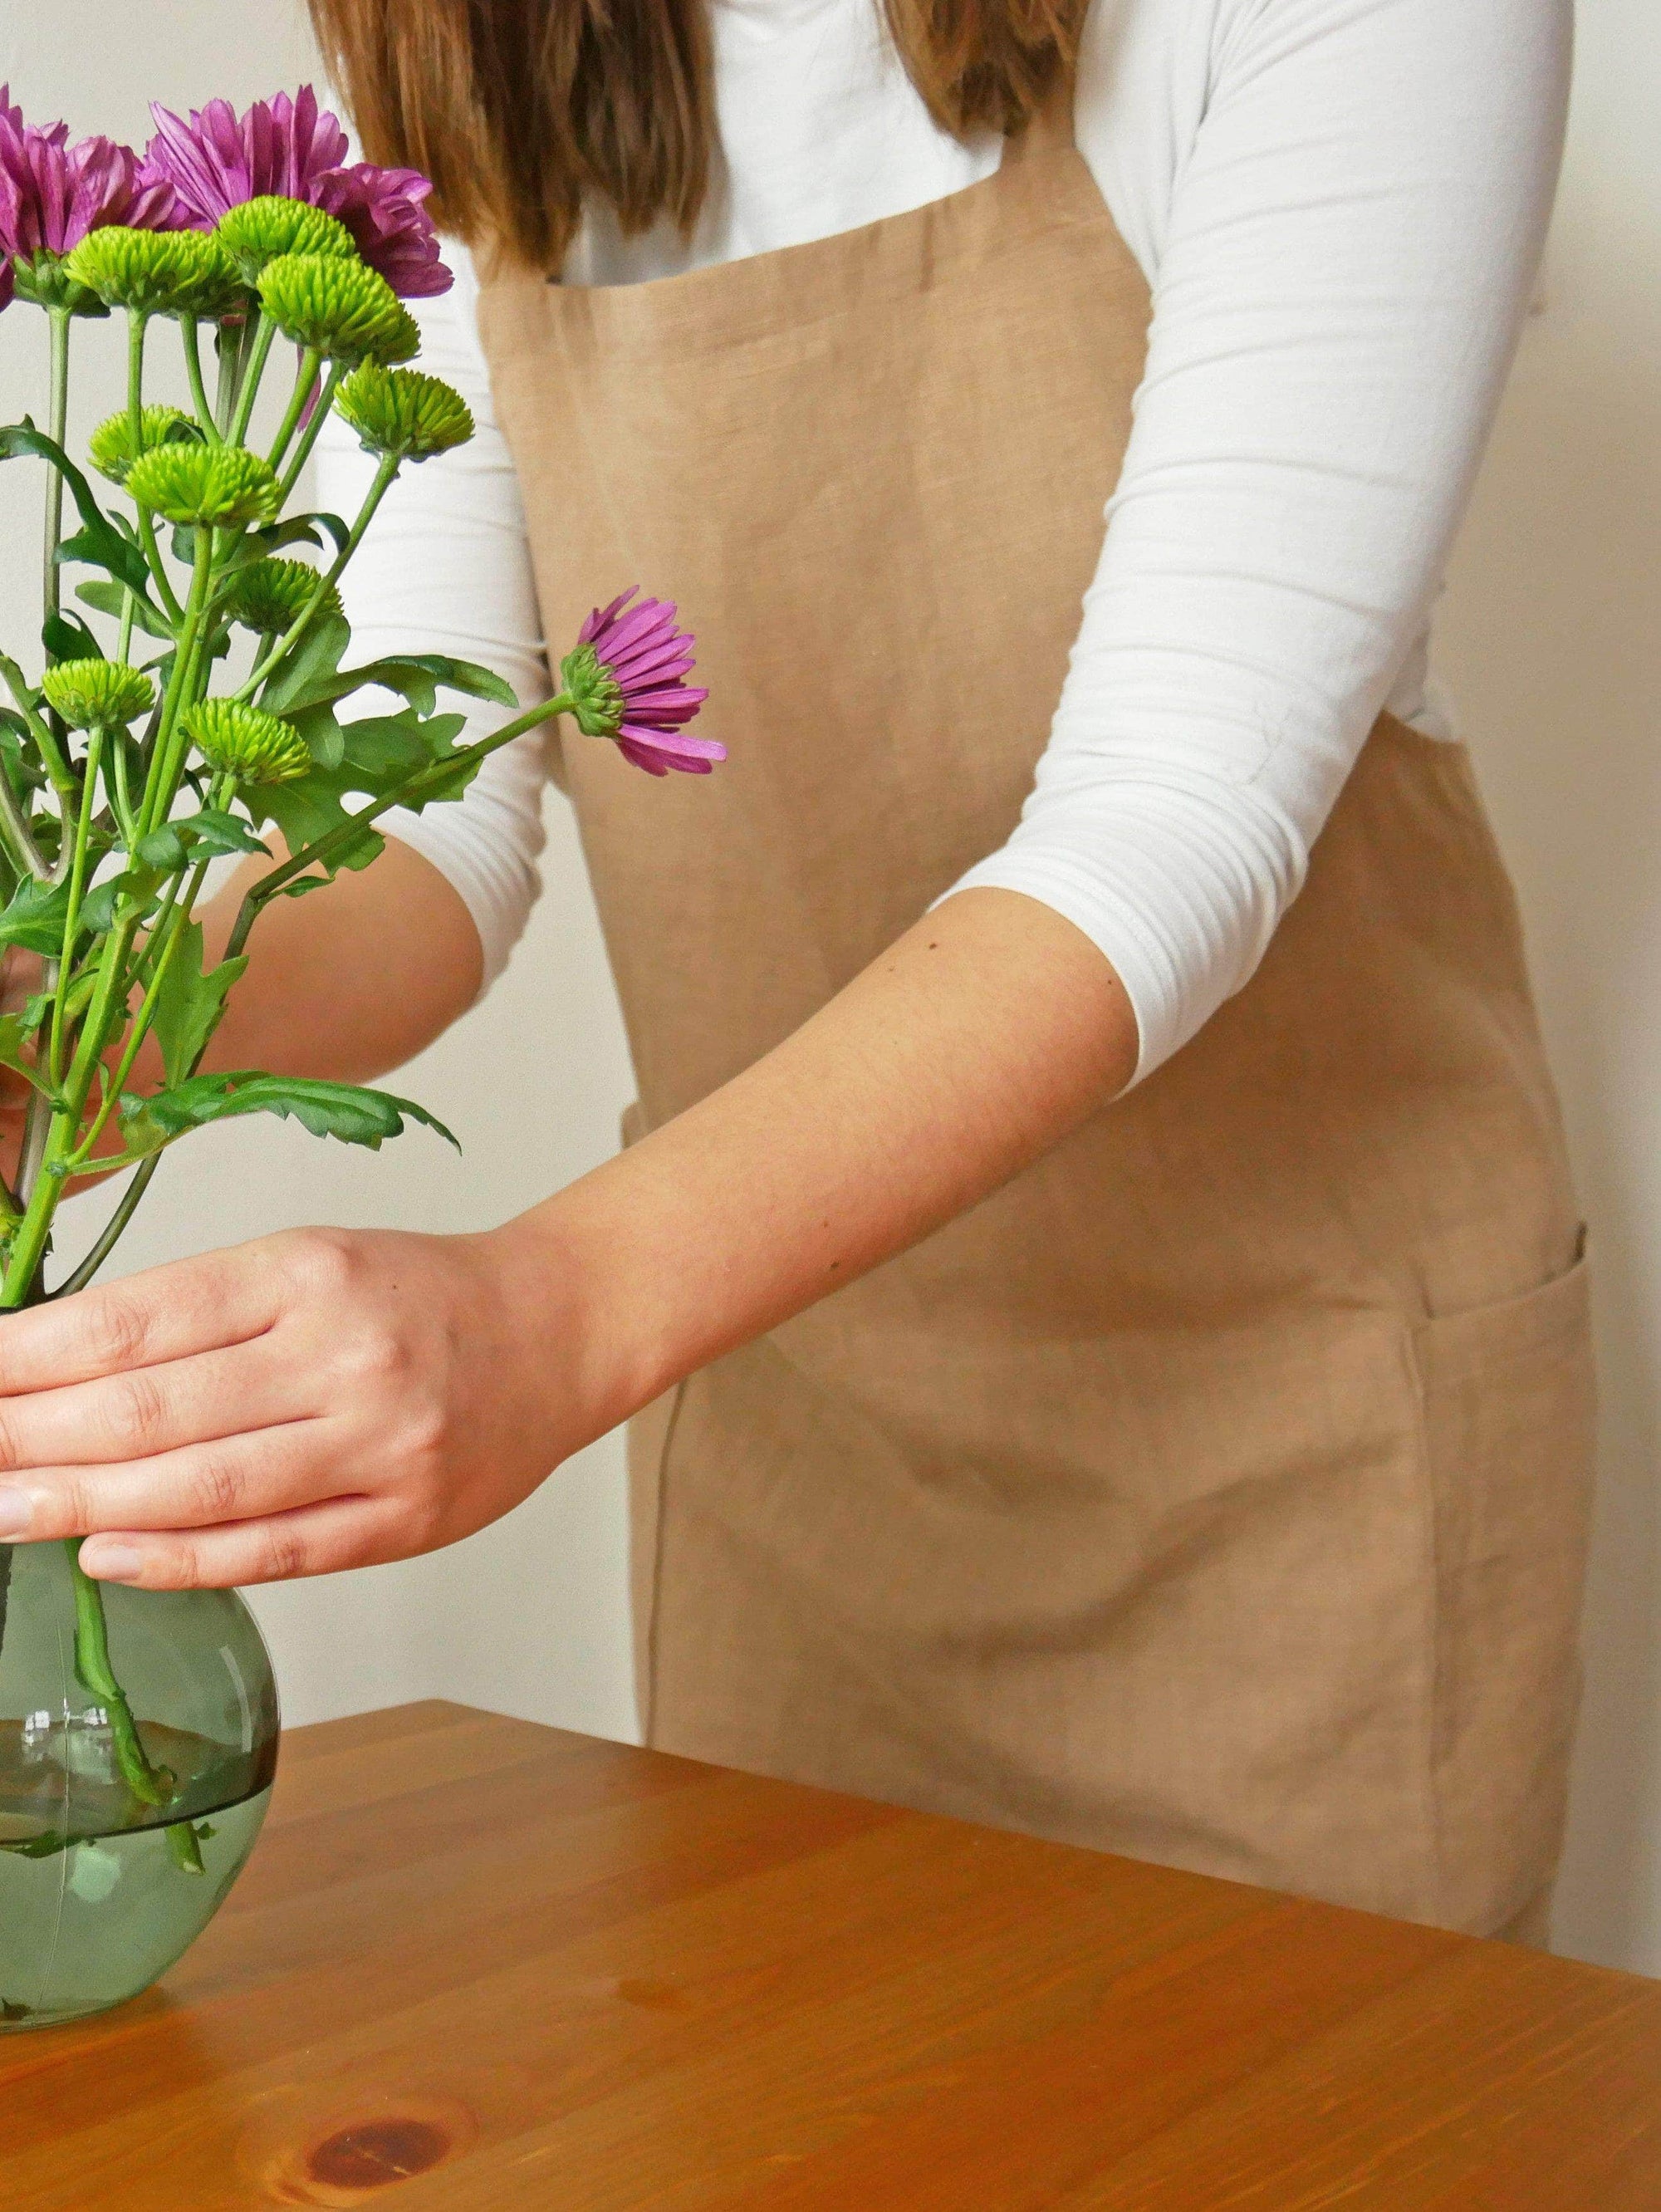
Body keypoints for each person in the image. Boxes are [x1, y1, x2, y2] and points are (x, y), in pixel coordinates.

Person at [0, 0, 1593, 1942]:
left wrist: (545, 1312)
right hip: (798, 1460)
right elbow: (435, 827)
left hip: (1295, 1467)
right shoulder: (467, 67)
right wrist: (77, 1022)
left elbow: (1170, 819)